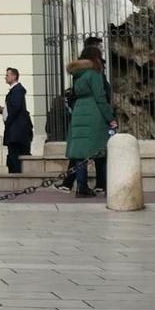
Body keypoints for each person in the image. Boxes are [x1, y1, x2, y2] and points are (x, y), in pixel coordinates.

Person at [66, 39, 115, 197]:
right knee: (101, 150)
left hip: (79, 111)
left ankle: (81, 187)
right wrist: (110, 118)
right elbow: (100, 97)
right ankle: (106, 185)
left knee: (81, 154)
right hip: (94, 113)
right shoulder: (94, 74)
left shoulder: (78, 75)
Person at [0, 68, 32, 174]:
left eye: (7, 75)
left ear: (14, 76)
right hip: (16, 129)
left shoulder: (17, 89)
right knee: (14, 154)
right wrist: (4, 111)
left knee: (15, 155)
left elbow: (16, 108)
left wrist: (7, 116)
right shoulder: (15, 90)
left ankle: (17, 177)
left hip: (16, 130)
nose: (5, 77)